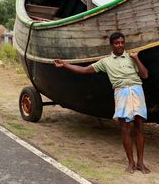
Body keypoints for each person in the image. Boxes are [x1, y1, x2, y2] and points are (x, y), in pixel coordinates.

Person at [54, 31, 150, 174]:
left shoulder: (131, 57)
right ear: (111, 45)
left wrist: (136, 59)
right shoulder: (106, 62)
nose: (120, 45)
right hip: (121, 92)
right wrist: (65, 64)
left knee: (139, 127)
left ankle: (140, 163)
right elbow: (85, 70)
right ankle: (131, 163)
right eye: (117, 43)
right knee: (125, 129)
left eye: (122, 43)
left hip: (137, 91)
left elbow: (145, 75)